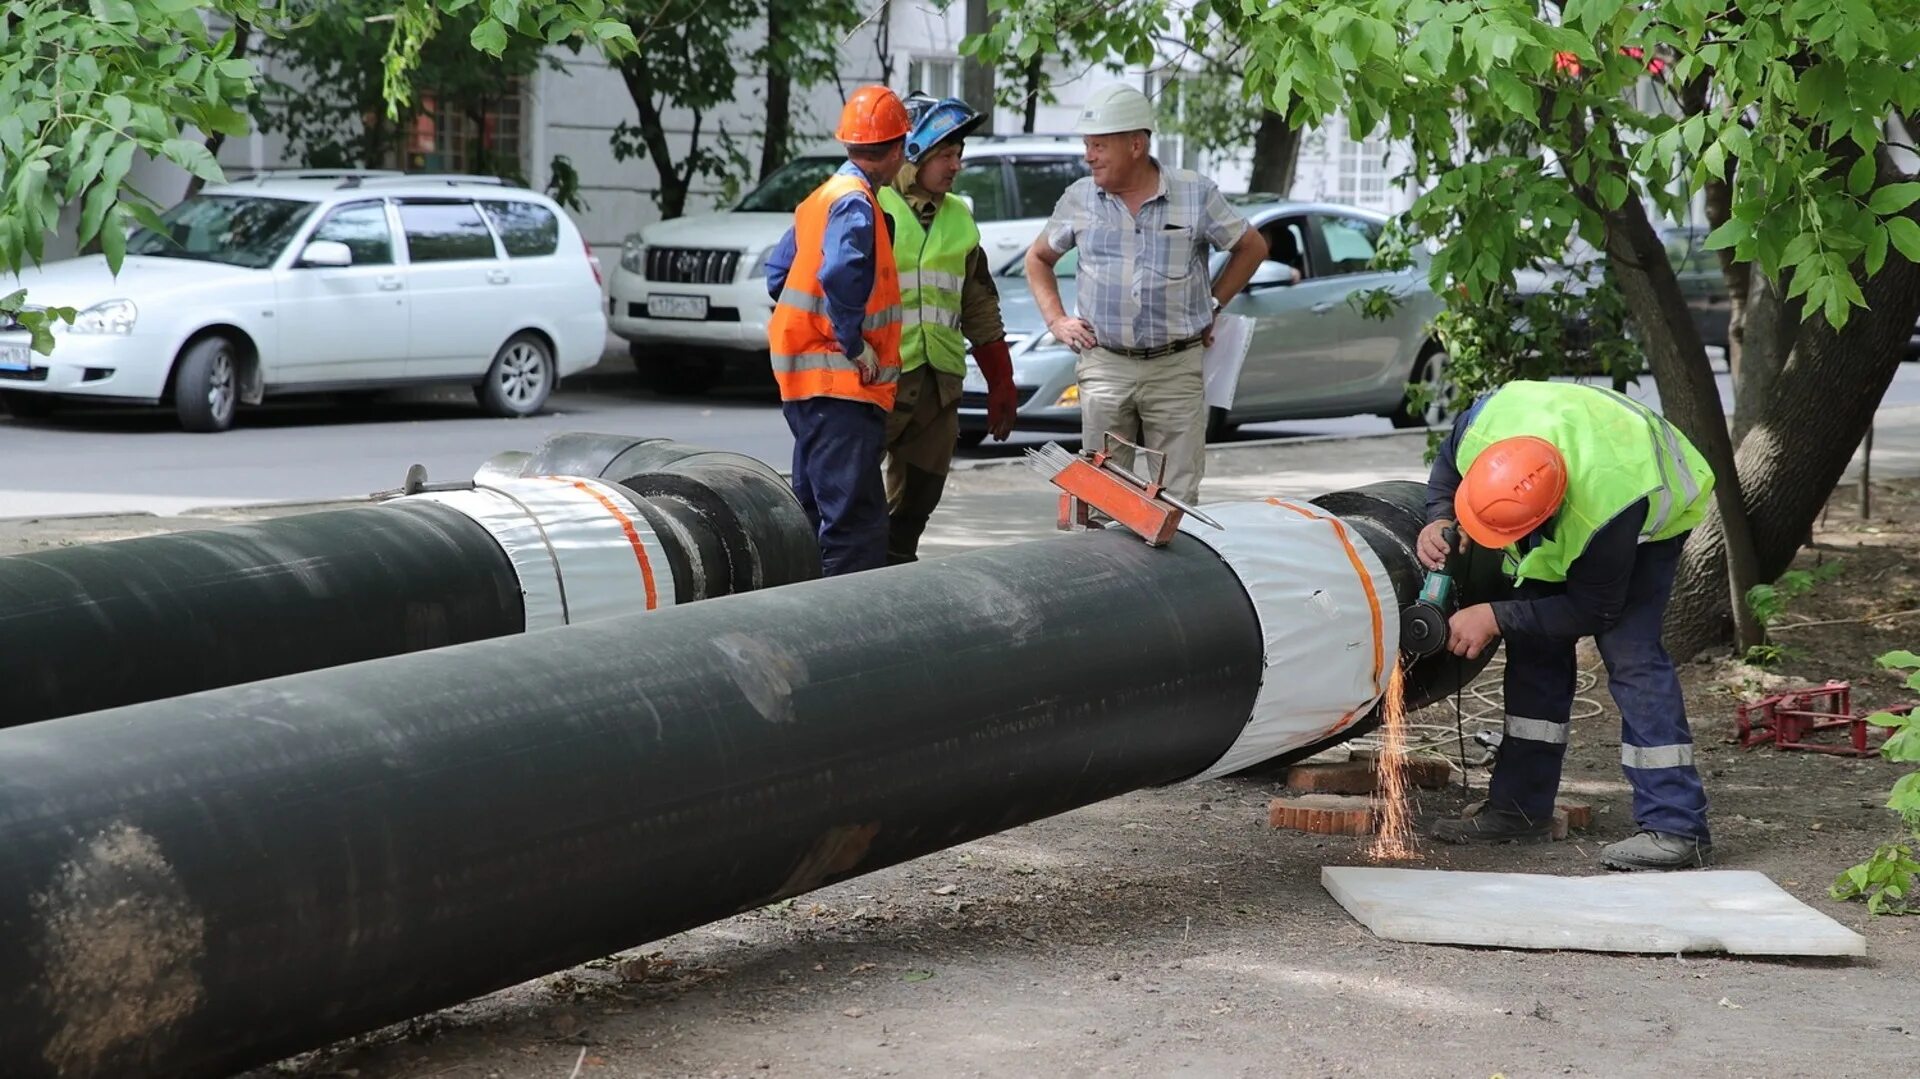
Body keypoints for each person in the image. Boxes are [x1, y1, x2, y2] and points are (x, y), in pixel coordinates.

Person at [1419, 379, 1718, 871]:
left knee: (1631, 655)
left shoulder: (1604, 510)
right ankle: (1519, 809)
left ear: (1550, 513)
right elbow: (1447, 469)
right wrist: (1438, 516)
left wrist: (1492, 615)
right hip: (1577, 487)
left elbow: (1592, 611)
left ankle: (1676, 827)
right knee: (1534, 645)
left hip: (1643, 516)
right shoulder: (1481, 430)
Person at [1022, 83, 1269, 505]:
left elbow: (1252, 247)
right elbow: (1037, 259)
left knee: (1176, 498)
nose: (1089, 156)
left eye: (1098, 145)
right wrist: (1056, 321)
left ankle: (1169, 571)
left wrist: (1213, 302)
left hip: (1175, 366)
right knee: (1102, 494)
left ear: (1135, 144)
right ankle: (1104, 569)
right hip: (1105, 365)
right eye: (1087, 145)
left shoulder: (1194, 193)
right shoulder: (1080, 198)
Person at [763, 86, 910, 575]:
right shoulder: (856, 204)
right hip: (843, 387)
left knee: (813, 513)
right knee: (855, 525)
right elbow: (839, 273)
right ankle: (851, 636)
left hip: (806, 388)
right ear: (895, 149)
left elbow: (778, 275)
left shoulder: (821, 198)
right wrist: (852, 342)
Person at [872, 92, 1018, 564]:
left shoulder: (958, 216)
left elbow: (978, 301)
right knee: (849, 501)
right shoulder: (870, 205)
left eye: (959, 155)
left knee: (917, 502)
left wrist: (1001, 381)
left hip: (936, 385)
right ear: (913, 154)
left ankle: (895, 573)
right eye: (945, 155)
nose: (955, 166)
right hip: (874, 380)